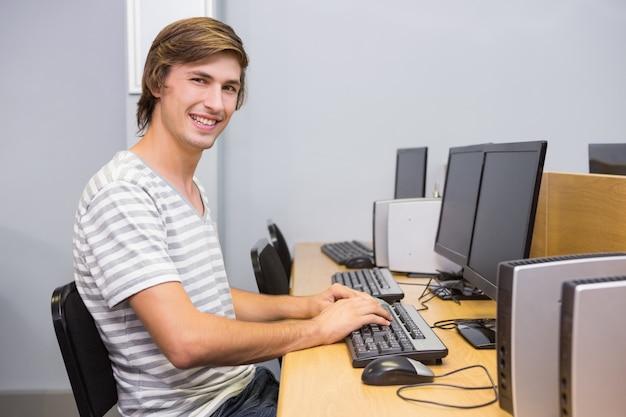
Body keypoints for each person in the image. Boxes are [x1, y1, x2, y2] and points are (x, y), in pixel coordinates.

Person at [73, 16, 392, 417]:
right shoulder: (124, 193)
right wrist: (317, 330)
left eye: (229, 88)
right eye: (199, 80)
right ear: (157, 83)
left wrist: (307, 306)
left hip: (238, 388)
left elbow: (210, 299)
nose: (217, 103)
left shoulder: (187, 187)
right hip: (200, 411)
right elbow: (186, 342)